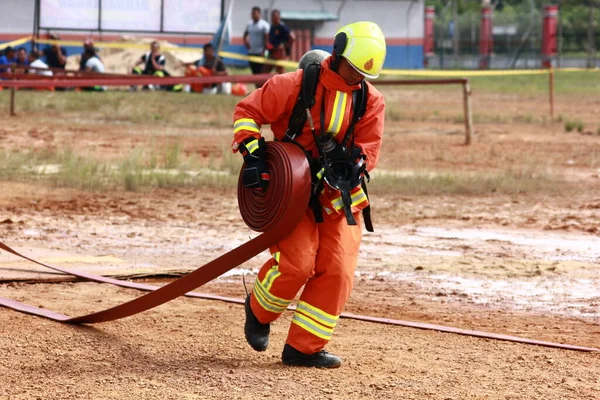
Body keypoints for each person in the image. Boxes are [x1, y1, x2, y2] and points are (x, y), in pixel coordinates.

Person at [232, 21, 386, 368]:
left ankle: (304, 348)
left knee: (339, 269)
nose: (355, 79)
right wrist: (254, 153)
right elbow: (247, 113)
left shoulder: (370, 101)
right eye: (352, 69)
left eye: (363, 74)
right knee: (298, 264)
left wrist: (354, 164)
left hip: (337, 197)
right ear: (337, 53)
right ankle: (258, 311)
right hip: (292, 192)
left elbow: (369, 148)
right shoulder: (293, 85)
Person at [243, 6, 270, 86]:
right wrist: (246, 43)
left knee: (261, 73)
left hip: (261, 52)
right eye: (252, 14)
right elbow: (245, 35)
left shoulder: (264, 25)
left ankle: (262, 89)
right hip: (251, 52)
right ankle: (257, 90)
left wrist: (264, 51)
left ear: (259, 14)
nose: (253, 15)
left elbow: (266, 39)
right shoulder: (249, 24)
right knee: (254, 73)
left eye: (255, 13)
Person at [263, 9, 294, 75]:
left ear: (278, 17)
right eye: (272, 16)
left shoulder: (282, 27)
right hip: (271, 52)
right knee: (265, 71)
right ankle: (263, 85)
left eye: (274, 16)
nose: (272, 18)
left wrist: (286, 48)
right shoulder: (272, 27)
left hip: (279, 53)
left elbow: (292, 38)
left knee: (280, 72)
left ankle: (283, 85)